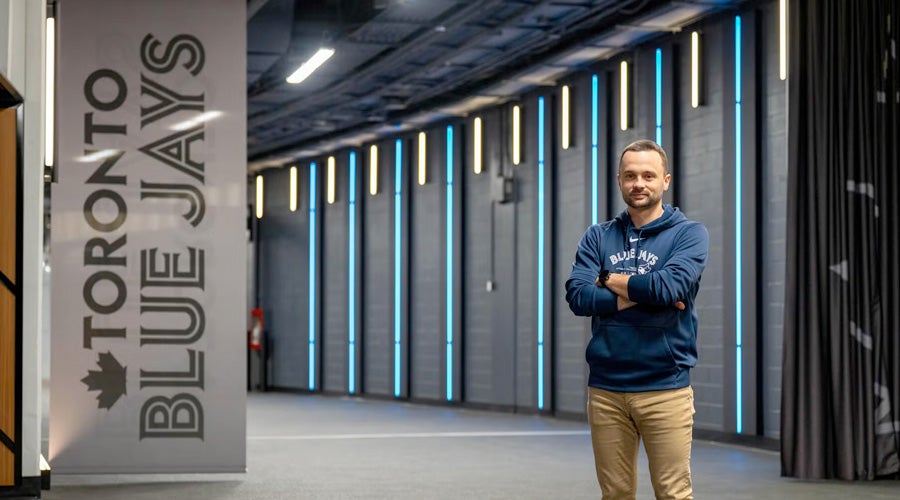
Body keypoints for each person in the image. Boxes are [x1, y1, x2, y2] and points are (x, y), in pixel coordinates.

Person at [565, 139, 708, 500]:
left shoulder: (689, 234)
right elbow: (578, 297)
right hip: (606, 390)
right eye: (630, 176)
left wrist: (607, 279)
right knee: (615, 495)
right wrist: (645, 293)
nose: (638, 183)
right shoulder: (598, 236)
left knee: (672, 494)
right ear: (619, 180)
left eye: (648, 175)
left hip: (665, 389)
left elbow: (668, 287)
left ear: (665, 181)